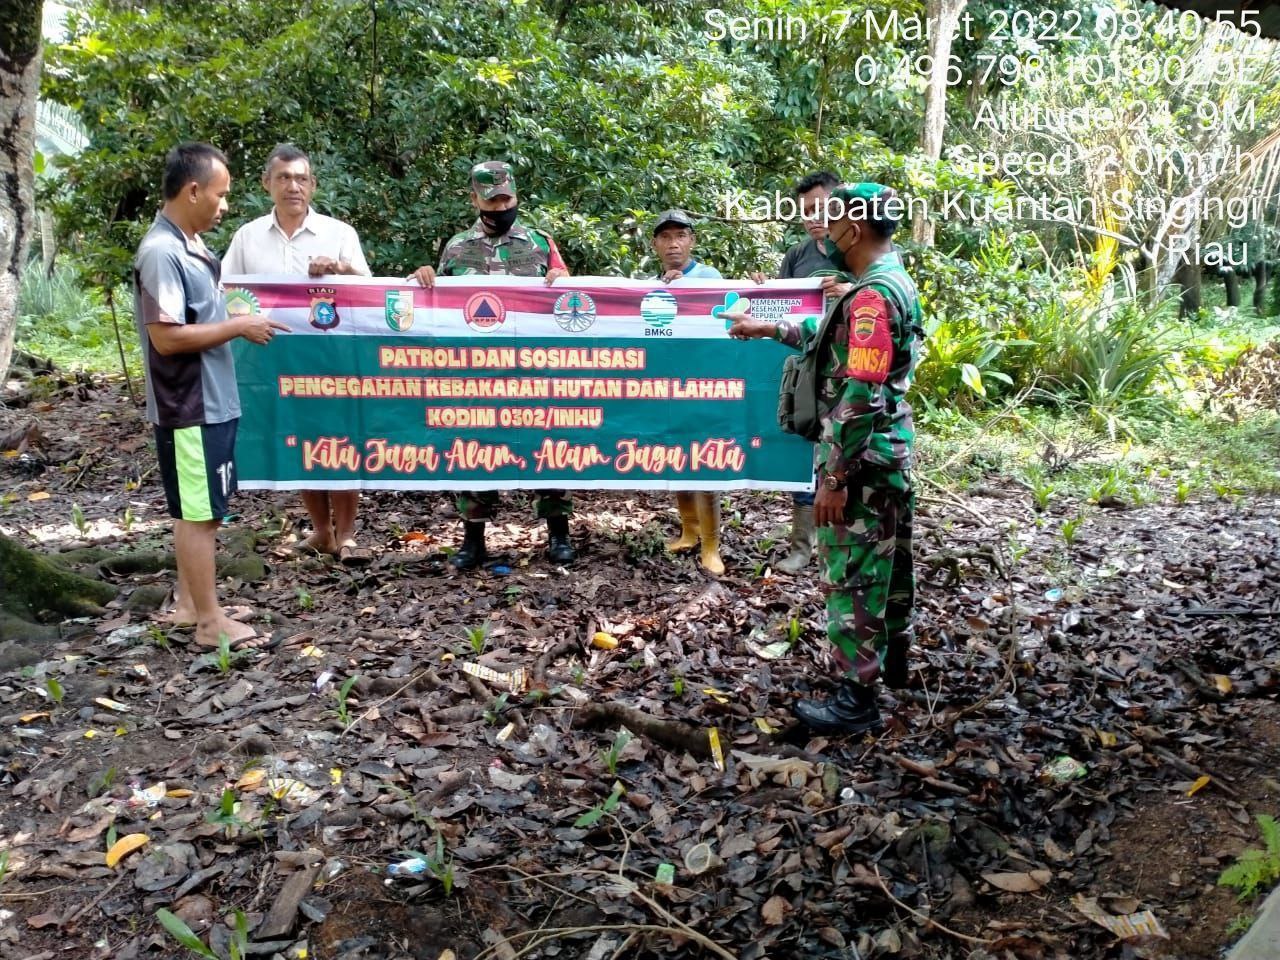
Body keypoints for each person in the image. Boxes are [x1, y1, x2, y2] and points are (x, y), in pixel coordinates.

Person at [728, 182, 921, 735]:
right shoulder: (891, 283)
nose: (825, 234)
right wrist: (770, 328)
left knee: (853, 574)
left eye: (832, 222)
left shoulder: (871, 297)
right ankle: (895, 662)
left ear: (853, 230)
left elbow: (861, 391)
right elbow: (833, 337)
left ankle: (855, 700)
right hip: (890, 452)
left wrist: (834, 477)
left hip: (859, 461)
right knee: (891, 562)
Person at [134, 142, 289, 650]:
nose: (224, 205)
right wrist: (240, 326)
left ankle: (190, 604)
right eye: (220, 195)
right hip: (189, 405)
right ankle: (208, 624)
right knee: (197, 515)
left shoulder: (191, 246)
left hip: (212, 400)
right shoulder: (162, 252)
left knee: (206, 510)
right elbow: (167, 336)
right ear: (193, 189)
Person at [410, 161, 574, 569]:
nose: (501, 206)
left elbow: (572, 302)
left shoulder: (539, 242)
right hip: (476, 370)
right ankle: (474, 540)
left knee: (548, 448)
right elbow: (434, 307)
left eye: (507, 198)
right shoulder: (456, 248)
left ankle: (558, 535)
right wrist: (423, 278)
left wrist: (562, 281)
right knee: (474, 449)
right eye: (492, 200)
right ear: (475, 200)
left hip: (535, 368)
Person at [223, 143, 373, 562]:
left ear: (313, 185)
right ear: (267, 184)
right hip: (271, 357)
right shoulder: (247, 237)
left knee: (339, 438)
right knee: (301, 439)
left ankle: (347, 535)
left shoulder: (339, 234)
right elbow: (227, 291)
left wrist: (341, 271)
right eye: (284, 177)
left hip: (332, 357)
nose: (293, 186)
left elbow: (369, 291)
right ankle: (321, 532)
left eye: (301, 178)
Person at [769, 171, 852, 574]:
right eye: (805, 211)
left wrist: (850, 292)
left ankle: (843, 542)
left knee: (845, 454)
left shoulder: (862, 253)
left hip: (852, 375)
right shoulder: (798, 255)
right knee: (804, 451)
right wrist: (761, 291)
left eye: (821, 207)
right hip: (809, 370)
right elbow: (783, 305)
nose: (813, 217)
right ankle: (803, 546)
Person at [651, 209, 725, 576]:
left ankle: (712, 546)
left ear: (692, 240)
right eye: (665, 237)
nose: (673, 243)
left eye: (680, 235)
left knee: (705, 461)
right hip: (668, 385)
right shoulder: (650, 283)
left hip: (706, 384)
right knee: (678, 459)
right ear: (655, 244)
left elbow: (733, 311)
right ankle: (689, 531)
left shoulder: (710, 277)